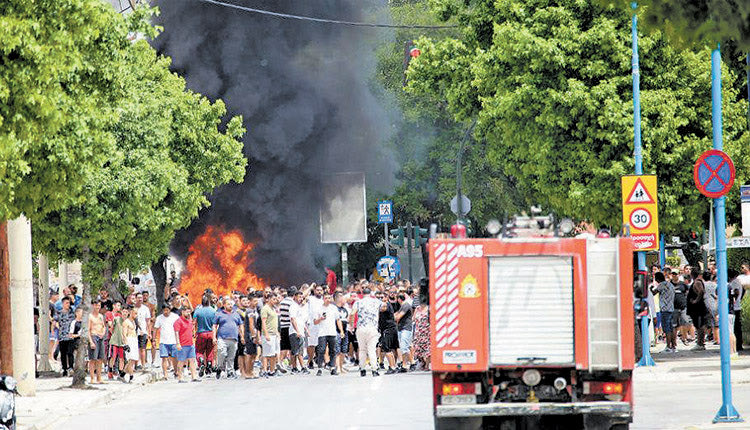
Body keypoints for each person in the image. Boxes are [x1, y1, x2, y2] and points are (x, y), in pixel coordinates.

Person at [350, 287, 382, 377]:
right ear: (370, 293)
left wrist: (351, 325)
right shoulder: (376, 301)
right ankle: (374, 369)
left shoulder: (358, 302)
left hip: (361, 328)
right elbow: (383, 307)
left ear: (362, 293)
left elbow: (352, 313)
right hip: (372, 327)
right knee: (372, 349)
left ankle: (362, 369)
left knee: (362, 349)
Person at [212, 296, 243, 379]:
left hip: (233, 338)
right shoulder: (219, 314)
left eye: (231, 304)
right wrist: (214, 337)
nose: (230, 305)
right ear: (224, 305)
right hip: (222, 338)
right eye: (228, 304)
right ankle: (219, 367)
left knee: (231, 356)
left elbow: (240, 325)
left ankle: (230, 371)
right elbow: (214, 326)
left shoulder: (236, 314)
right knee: (221, 353)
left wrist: (242, 336)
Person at [314, 292, 340, 376]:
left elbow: (338, 319)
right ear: (323, 299)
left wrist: (341, 331)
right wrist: (320, 319)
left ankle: (332, 367)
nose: (328, 300)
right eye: (326, 298)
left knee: (333, 350)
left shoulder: (334, 308)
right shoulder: (319, 308)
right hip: (322, 332)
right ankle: (320, 368)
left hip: (332, 332)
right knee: (321, 350)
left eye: (329, 298)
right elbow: (315, 322)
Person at [174, 307, 200, 383]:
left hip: (190, 344)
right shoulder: (178, 321)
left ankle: (194, 377)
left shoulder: (190, 321)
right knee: (181, 361)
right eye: (187, 312)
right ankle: (180, 377)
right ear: (182, 312)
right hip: (182, 344)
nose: (188, 314)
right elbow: (176, 333)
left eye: (189, 312)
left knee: (192, 360)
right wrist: (178, 343)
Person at [651, 272, 676, 352]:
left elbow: (653, 293)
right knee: (672, 328)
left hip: (664, 309)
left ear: (657, 279)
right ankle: (673, 346)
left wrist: (650, 289)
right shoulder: (670, 285)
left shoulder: (661, 285)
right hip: (671, 308)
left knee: (667, 329)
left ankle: (668, 346)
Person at [154, 305, 179, 380]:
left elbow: (179, 327)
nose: (166, 312)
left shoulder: (175, 317)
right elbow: (155, 329)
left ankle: (176, 371)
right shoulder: (159, 318)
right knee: (164, 358)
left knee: (174, 357)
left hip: (173, 340)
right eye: (164, 310)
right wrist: (154, 339)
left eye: (167, 310)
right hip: (163, 341)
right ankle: (165, 375)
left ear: (170, 310)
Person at [194, 294, 216, 376]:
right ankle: (209, 364)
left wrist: (195, 332)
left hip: (201, 333)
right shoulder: (213, 311)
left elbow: (195, 322)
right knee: (210, 351)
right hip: (211, 333)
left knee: (199, 351)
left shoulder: (198, 311)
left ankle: (201, 361)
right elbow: (215, 323)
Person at [288, 289, 309, 374]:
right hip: (294, 332)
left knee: (299, 351)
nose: (301, 298)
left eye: (302, 297)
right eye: (299, 297)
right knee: (295, 351)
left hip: (300, 331)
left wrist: (305, 329)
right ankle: (298, 367)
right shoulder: (293, 306)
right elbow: (293, 319)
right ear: (294, 297)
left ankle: (296, 367)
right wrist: (297, 331)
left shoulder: (298, 307)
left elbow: (301, 320)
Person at [54, 297, 76, 376]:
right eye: (66, 303)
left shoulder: (72, 313)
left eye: (69, 303)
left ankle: (70, 367)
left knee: (70, 353)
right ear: (63, 303)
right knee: (63, 353)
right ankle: (64, 369)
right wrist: (58, 327)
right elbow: (55, 321)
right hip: (62, 336)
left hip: (70, 336)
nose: (68, 305)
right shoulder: (59, 313)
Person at [260, 293, 280, 377]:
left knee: (273, 354)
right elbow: (263, 322)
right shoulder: (265, 309)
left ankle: (272, 371)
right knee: (266, 354)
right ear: (268, 299)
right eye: (274, 299)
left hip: (274, 334)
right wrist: (266, 334)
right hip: (268, 334)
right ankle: (264, 370)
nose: (275, 301)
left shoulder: (273, 308)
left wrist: (277, 333)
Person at [379, 293, 399, 374]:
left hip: (388, 330)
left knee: (387, 348)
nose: (380, 298)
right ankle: (393, 366)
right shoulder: (387, 304)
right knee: (391, 348)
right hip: (390, 329)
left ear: (386, 297)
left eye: (382, 297)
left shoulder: (386, 304)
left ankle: (392, 367)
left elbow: (383, 308)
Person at [687, 268, 707, 350]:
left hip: (697, 308)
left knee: (699, 326)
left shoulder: (697, 282)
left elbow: (701, 291)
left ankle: (700, 343)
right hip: (696, 308)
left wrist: (696, 300)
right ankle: (700, 343)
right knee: (699, 325)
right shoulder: (697, 281)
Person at [88, 300, 107, 384]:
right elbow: (88, 330)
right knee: (93, 359)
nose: (97, 307)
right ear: (93, 306)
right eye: (96, 305)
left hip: (101, 337)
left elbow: (104, 326)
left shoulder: (101, 316)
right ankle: (92, 378)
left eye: (99, 305)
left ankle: (99, 377)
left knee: (100, 359)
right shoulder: (90, 316)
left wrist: (103, 333)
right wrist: (91, 341)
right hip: (93, 336)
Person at [394, 293, 414, 372]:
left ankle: (412, 362)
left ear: (399, 299)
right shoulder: (402, 306)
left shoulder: (405, 305)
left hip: (406, 328)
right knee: (404, 347)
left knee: (404, 347)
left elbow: (398, 317)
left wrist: (392, 317)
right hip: (401, 328)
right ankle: (404, 365)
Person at [306, 284, 324, 369]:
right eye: (317, 290)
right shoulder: (311, 299)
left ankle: (323, 361)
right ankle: (310, 360)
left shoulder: (324, 300)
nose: (319, 291)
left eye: (321, 290)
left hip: (322, 324)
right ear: (314, 291)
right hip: (312, 325)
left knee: (323, 343)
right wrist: (310, 287)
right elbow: (303, 295)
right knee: (311, 345)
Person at [107, 301, 126, 380]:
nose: (119, 307)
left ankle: (120, 372)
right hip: (114, 339)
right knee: (113, 356)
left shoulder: (120, 315)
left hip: (121, 340)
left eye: (120, 306)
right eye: (118, 305)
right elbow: (110, 326)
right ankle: (110, 371)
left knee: (121, 357)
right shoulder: (109, 314)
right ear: (113, 306)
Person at [242, 294, 260, 379]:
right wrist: (253, 336)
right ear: (250, 302)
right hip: (249, 335)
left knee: (254, 354)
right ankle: (247, 372)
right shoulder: (249, 311)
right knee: (249, 354)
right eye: (255, 301)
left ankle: (251, 371)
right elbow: (251, 324)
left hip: (254, 334)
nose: (256, 303)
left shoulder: (254, 310)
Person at [671, 272, 690, 345]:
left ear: (678, 275)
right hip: (673, 307)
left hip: (683, 306)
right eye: (673, 274)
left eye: (676, 274)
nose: (674, 275)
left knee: (685, 322)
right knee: (674, 325)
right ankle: (674, 342)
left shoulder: (683, 284)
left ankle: (684, 338)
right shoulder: (670, 284)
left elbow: (688, 292)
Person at [134, 293, 152, 368]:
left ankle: (143, 364)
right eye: (138, 298)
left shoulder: (145, 309)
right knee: (135, 348)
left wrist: (149, 332)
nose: (140, 299)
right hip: (133, 332)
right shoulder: (133, 308)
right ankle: (136, 364)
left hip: (143, 331)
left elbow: (148, 321)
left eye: (141, 298)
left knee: (143, 348)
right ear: (135, 298)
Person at [278, 288, 294, 371]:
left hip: (282, 326)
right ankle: (291, 365)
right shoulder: (292, 303)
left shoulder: (282, 302)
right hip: (289, 326)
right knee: (291, 347)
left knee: (284, 346)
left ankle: (280, 362)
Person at [122, 306, 139, 383]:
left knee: (133, 359)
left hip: (134, 340)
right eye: (135, 313)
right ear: (131, 312)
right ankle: (131, 376)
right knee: (130, 359)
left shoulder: (134, 322)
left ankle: (122, 374)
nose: (136, 314)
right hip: (129, 340)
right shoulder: (126, 322)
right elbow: (124, 334)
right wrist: (126, 344)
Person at [732, 266, 746, 351]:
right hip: (737, 306)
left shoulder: (734, 282)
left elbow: (736, 291)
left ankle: (738, 345)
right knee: (737, 327)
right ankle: (739, 344)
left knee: (735, 327)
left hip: (735, 307)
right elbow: (743, 291)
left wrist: (735, 299)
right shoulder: (738, 281)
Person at [335, 292, 349, 374]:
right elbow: (337, 320)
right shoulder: (334, 308)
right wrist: (341, 331)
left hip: (345, 330)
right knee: (337, 350)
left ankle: (341, 366)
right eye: (343, 298)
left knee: (343, 350)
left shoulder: (344, 309)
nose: (345, 300)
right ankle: (337, 368)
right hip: (337, 331)